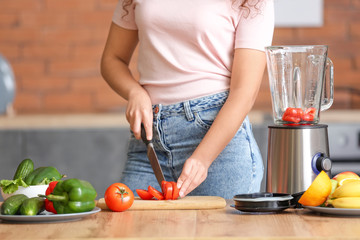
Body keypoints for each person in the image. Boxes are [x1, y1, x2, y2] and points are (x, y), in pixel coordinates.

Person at [101, 0, 274, 199]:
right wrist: (135, 92)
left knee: (222, 229)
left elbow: (244, 92)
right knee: (129, 228)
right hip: (149, 143)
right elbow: (112, 59)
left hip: (217, 146)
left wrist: (203, 158)